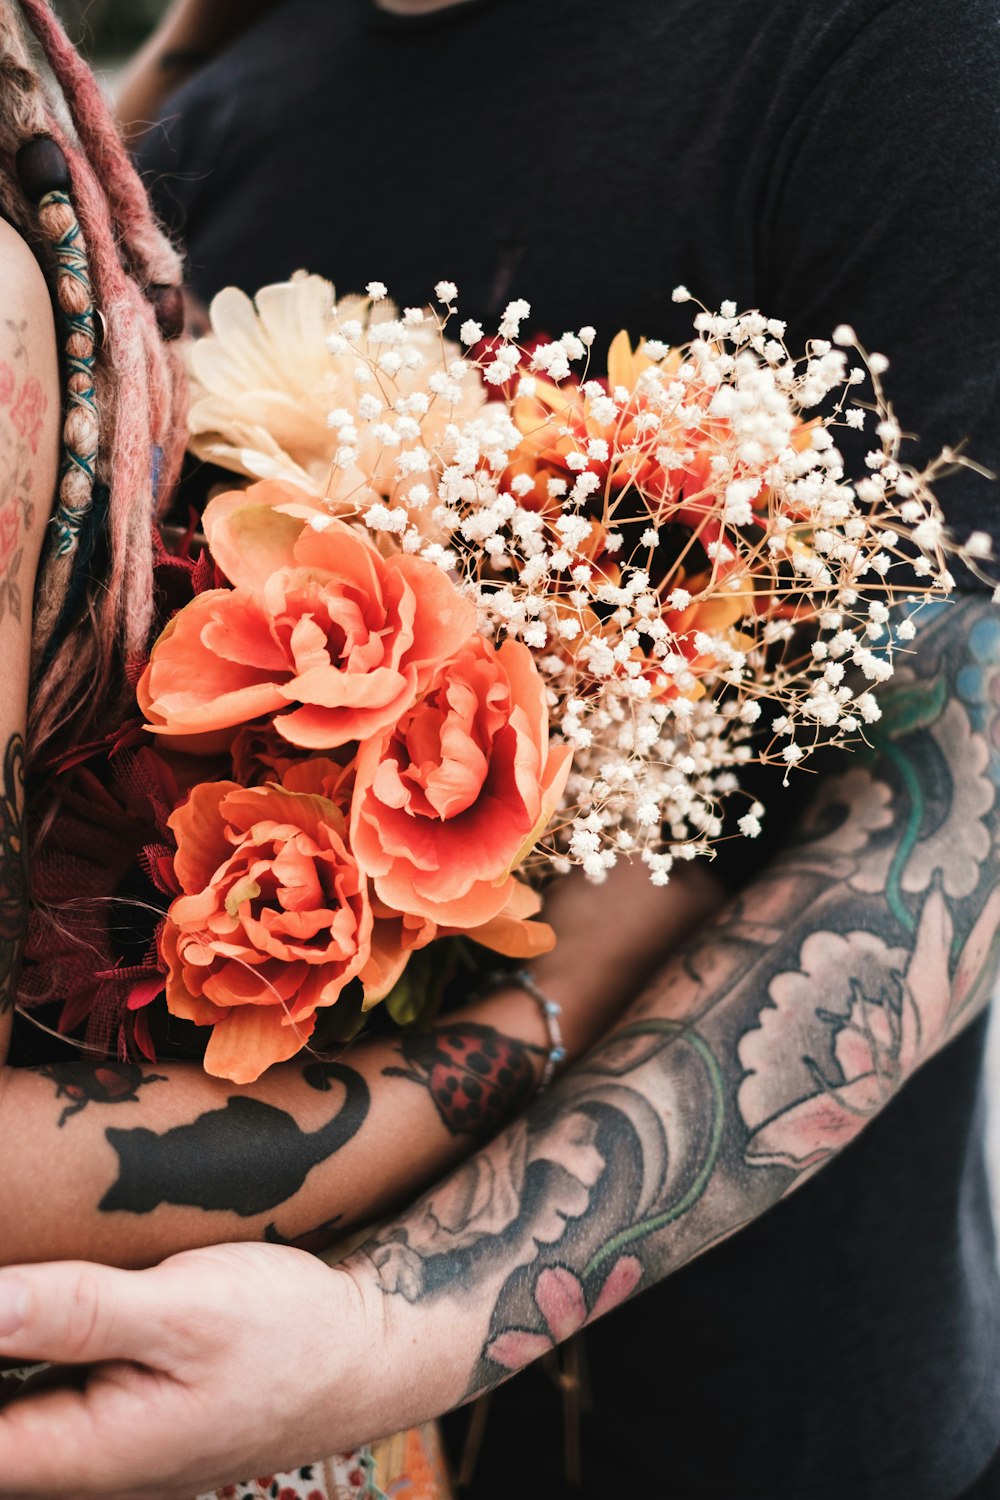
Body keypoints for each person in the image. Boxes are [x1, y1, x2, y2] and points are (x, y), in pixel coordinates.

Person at [1, 0, 999, 1496]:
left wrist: (397, 1330)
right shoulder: (221, 127)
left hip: (769, 1422)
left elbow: (951, 802)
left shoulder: (886, 52)